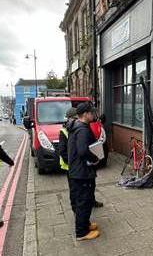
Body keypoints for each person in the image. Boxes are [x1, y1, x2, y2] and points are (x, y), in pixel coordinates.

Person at [68, 103, 100, 241]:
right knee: (84, 202)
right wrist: (95, 158)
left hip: (78, 171)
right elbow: (82, 151)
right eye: (92, 112)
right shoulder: (82, 130)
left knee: (84, 200)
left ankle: (85, 224)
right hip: (82, 172)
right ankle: (81, 233)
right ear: (86, 114)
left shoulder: (76, 126)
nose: (93, 114)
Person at [57, 107, 77, 171]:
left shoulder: (75, 128)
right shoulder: (64, 131)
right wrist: (71, 162)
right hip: (70, 165)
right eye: (76, 118)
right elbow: (62, 151)